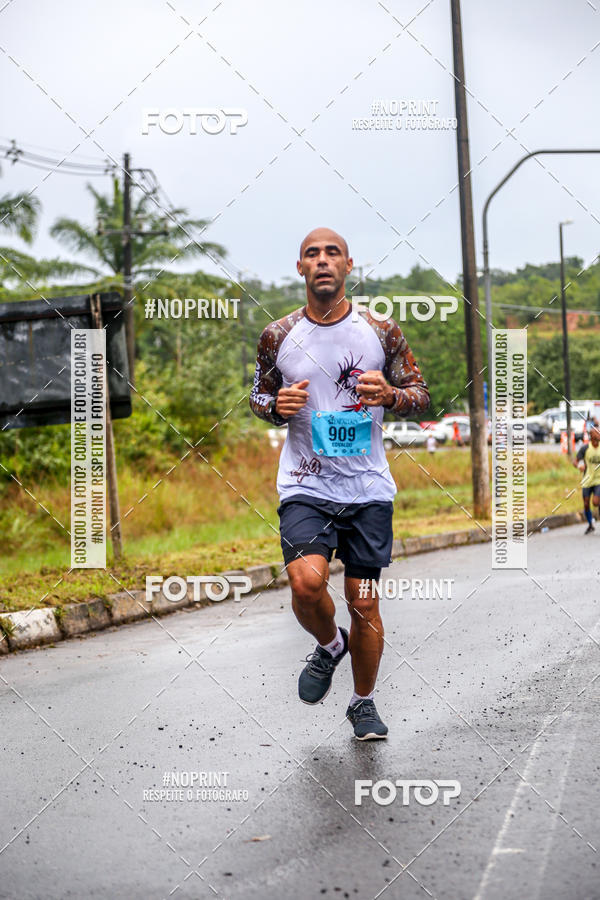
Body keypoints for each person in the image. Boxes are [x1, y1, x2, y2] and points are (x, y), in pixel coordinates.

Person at [249, 227, 429, 740]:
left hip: (368, 489)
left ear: (349, 265)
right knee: (307, 583)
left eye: (332, 253)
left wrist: (391, 394)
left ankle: (363, 703)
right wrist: (275, 407)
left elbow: (421, 394)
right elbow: (258, 398)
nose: (323, 261)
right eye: (312, 254)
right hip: (306, 484)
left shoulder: (382, 330)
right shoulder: (277, 335)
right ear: (300, 267)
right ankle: (330, 645)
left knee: (365, 600)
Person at [573, 426, 600, 534]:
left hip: (598, 480)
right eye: (597, 433)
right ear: (592, 436)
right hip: (587, 480)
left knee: (596, 502)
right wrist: (579, 466)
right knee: (586, 504)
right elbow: (575, 461)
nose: (599, 434)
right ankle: (590, 524)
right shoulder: (585, 448)